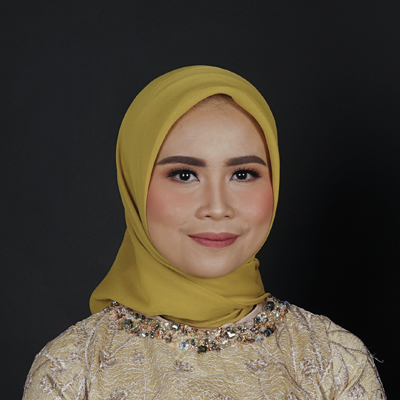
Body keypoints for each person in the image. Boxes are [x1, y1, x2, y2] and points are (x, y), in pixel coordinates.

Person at [23, 66, 385, 399]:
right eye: (184, 175)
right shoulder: (71, 368)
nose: (217, 206)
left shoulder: (334, 360)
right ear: (134, 185)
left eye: (242, 174)